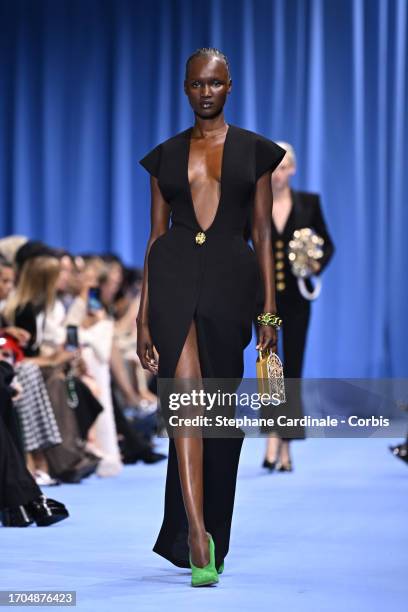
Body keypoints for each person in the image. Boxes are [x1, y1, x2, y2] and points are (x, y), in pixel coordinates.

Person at [137, 47, 285, 586]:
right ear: (184, 88)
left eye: (215, 83)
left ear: (229, 87)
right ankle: (197, 534)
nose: (206, 92)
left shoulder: (254, 152)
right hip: (174, 278)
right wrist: (142, 317)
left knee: (220, 419)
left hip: (230, 281)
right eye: (197, 83)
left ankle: (208, 524)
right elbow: (154, 238)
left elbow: (263, 233)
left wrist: (269, 312)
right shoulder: (164, 157)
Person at [254, 142, 335, 471]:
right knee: (269, 366)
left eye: (285, 166)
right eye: (274, 166)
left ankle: (287, 443)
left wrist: (314, 265)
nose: (279, 173)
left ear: (294, 169)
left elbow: (327, 243)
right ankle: (273, 438)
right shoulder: (255, 202)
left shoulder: (309, 202)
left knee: (294, 369)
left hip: (297, 298)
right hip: (263, 299)